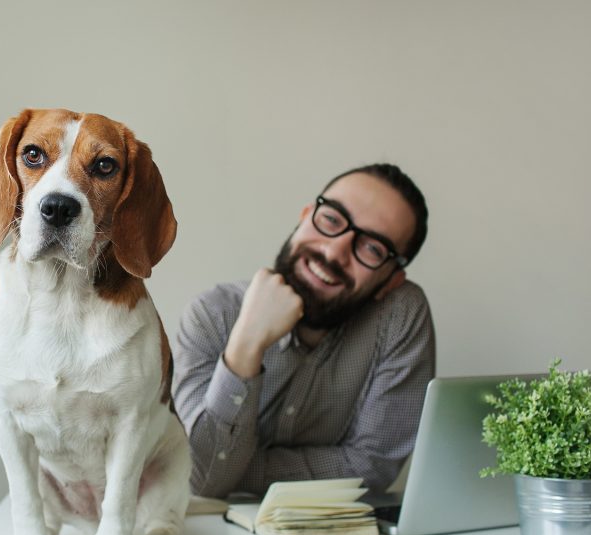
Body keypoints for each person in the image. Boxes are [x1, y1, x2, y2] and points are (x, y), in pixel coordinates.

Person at [172, 163, 435, 499]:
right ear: (306, 216)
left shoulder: (399, 317)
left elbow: (373, 467)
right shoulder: (213, 316)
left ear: (391, 280)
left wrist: (236, 471)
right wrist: (246, 344)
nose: (334, 251)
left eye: (372, 248)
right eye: (331, 220)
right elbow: (204, 479)